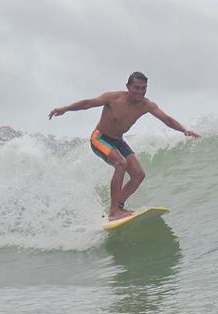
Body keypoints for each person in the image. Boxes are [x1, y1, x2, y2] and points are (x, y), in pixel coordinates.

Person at [49, 72, 200, 221]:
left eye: (144, 88)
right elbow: (88, 103)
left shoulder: (146, 105)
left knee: (138, 175)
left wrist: (184, 130)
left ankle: (118, 207)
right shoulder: (112, 98)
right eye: (136, 87)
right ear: (128, 86)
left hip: (118, 140)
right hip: (100, 138)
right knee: (120, 163)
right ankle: (114, 211)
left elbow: (166, 119)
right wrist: (65, 108)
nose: (140, 91)